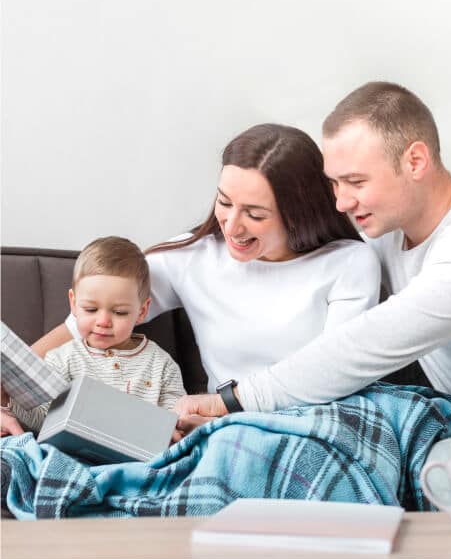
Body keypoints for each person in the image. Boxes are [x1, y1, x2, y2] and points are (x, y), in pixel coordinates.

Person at [174, 82, 451, 436]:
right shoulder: (388, 233)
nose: (342, 203)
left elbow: (370, 343)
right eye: (335, 184)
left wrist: (231, 401)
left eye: (356, 182)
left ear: (415, 161)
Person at [22, 123, 381, 412]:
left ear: (298, 212)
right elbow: (82, 322)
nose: (232, 225)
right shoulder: (192, 257)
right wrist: (8, 393)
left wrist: (224, 406)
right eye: (224, 203)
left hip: (315, 418)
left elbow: (334, 373)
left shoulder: (349, 263)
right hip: (225, 430)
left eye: (255, 214)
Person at [1, 236, 185, 435]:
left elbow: (177, 420)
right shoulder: (61, 360)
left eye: (119, 312)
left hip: (140, 461)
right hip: (72, 455)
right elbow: (43, 421)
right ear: (73, 303)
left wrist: (171, 432)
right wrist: (7, 401)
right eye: (91, 309)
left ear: (142, 310)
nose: (103, 321)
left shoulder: (162, 365)